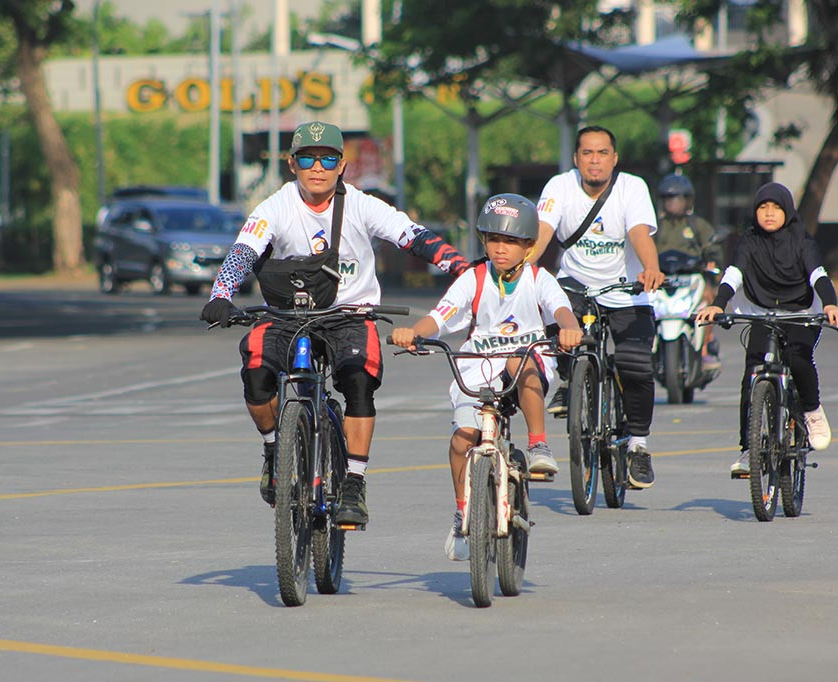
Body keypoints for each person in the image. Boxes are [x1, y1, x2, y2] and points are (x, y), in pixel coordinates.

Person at [200, 121, 470, 526]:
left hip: (350, 316)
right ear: (292, 164)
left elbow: (413, 237)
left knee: (359, 380)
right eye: (307, 158)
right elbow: (244, 250)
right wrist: (221, 295)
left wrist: (462, 267)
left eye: (328, 158)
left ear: (342, 165)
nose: (318, 167)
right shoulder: (275, 206)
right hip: (287, 314)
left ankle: (354, 482)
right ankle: (275, 449)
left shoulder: (362, 205)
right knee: (256, 372)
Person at [391, 193, 583, 560]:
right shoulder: (473, 279)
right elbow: (441, 315)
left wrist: (569, 329)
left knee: (518, 361)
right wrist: (415, 332)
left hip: (526, 363)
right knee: (462, 439)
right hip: (477, 366)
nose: (501, 248)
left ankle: (539, 445)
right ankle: (462, 509)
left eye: (511, 241)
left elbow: (561, 310)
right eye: (493, 239)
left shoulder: (539, 279)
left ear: (529, 246)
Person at [531, 125, 665, 490]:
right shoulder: (559, 186)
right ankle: (568, 376)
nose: (595, 160)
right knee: (553, 317)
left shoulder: (632, 187)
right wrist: (523, 269)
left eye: (602, 153)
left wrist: (650, 268)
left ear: (614, 158)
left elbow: (639, 232)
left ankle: (638, 445)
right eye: (587, 153)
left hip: (627, 291)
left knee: (635, 363)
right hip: (575, 287)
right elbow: (543, 231)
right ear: (576, 159)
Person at [694, 182, 838, 476]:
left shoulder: (803, 241)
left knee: (797, 358)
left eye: (776, 208)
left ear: (788, 211)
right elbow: (734, 274)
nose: (768, 213)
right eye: (762, 208)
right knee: (751, 373)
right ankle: (747, 449)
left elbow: (818, 275)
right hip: (763, 312)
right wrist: (718, 304)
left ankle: (812, 411)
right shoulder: (748, 241)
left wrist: (830, 304)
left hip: (801, 313)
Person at [654, 173, 723, 370]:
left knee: (709, 298)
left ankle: (705, 348)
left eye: (677, 198)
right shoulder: (657, 226)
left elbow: (713, 247)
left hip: (692, 277)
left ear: (687, 200)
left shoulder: (697, 225)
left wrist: (712, 262)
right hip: (663, 278)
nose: (672, 203)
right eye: (668, 199)